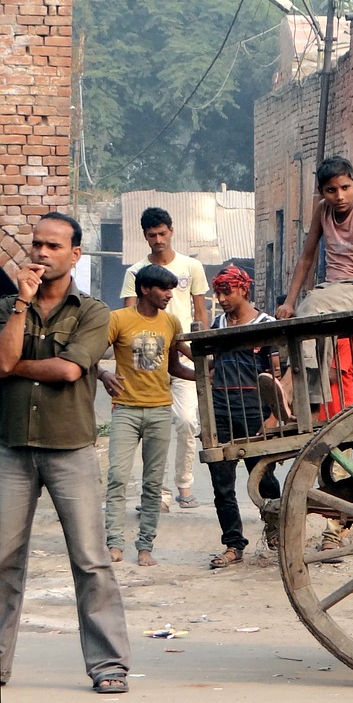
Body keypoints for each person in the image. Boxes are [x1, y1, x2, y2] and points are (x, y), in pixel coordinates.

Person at [0, 212, 132, 694]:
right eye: (36, 244)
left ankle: (109, 665)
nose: (41, 253)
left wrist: (16, 367)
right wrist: (21, 303)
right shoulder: (7, 306)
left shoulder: (94, 312)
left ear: (75, 254)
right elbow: (1, 358)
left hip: (69, 449)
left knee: (91, 560)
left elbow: (70, 371)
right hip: (12, 448)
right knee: (3, 557)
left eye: (53, 246)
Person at [276, 155, 353, 413]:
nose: (339, 196)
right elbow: (307, 257)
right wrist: (288, 301)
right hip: (333, 293)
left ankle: (287, 386)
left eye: (345, 188)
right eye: (331, 190)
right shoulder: (322, 211)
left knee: (311, 307)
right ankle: (309, 400)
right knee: (308, 316)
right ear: (321, 192)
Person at [100, 264, 195, 566]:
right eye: (163, 289)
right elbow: (87, 356)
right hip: (125, 409)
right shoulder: (118, 319)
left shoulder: (171, 322)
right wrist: (103, 375)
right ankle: (114, 543)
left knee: (153, 483)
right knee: (117, 477)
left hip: (159, 409)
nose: (169, 295)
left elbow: (176, 366)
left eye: (171, 289)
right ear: (145, 289)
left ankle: (145, 547)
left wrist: (205, 374)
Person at [121, 206, 209, 510]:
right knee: (152, 425)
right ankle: (157, 493)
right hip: (147, 353)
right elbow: (129, 316)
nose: (158, 239)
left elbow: (201, 312)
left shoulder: (191, 267)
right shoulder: (135, 272)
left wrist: (203, 352)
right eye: (152, 235)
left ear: (171, 231)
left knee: (186, 422)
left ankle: (184, 483)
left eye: (162, 233)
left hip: (183, 352)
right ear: (144, 237)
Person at [206, 265, 281, 567]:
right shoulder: (217, 323)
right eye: (219, 292)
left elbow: (277, 375)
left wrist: (274, 418)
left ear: (243, 290)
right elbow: (209, 370)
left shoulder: (266, 324)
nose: (222, 298)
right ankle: (233, 544)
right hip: (221, 413)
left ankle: (276, 529)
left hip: (255, 413)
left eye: (227, 291)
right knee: (222, 484)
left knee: (263, 476)